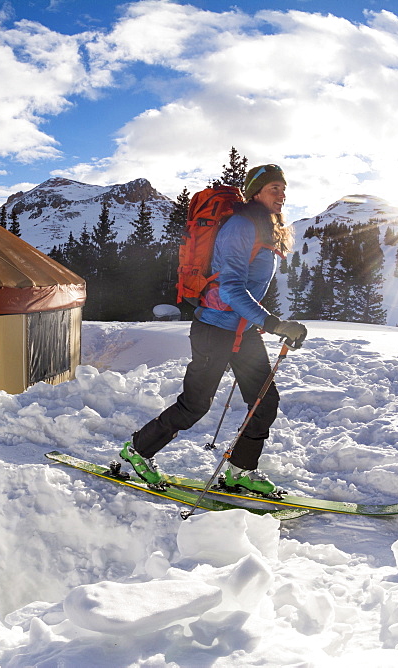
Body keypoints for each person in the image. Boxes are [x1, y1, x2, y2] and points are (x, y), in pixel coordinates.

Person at [120, 164, 307, 494]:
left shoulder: (265, 226)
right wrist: (274, 323)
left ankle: (240, 471)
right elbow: (232, 289)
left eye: (283, 187)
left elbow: (247, 287)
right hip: (213, 328)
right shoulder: (240, 226)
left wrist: (259, 321)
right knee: (195, 405)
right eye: (273, 188)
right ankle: (137, 451)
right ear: (255, 192)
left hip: (242, 331)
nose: (281, 193)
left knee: (264, 402)